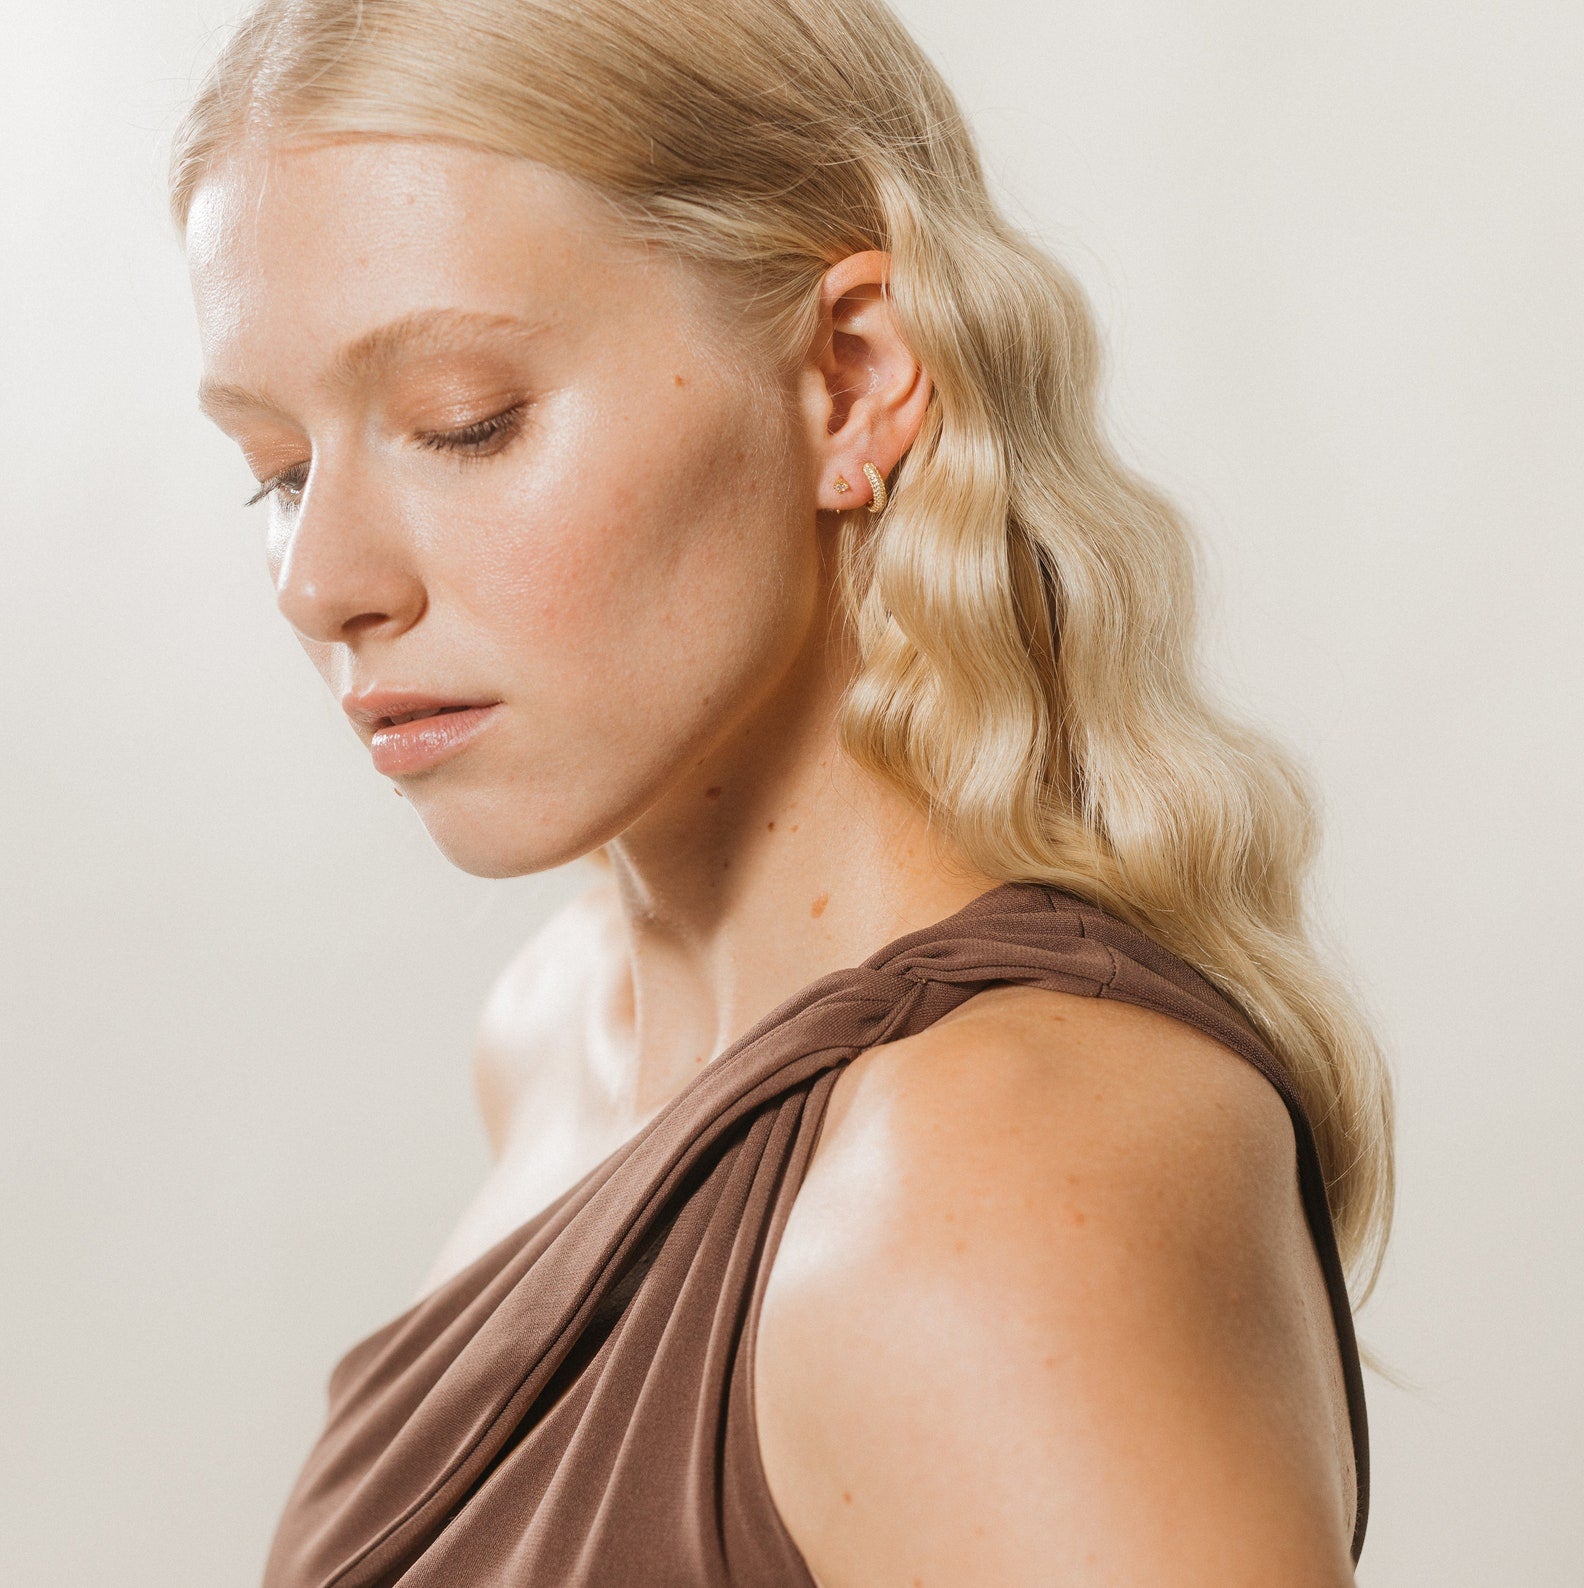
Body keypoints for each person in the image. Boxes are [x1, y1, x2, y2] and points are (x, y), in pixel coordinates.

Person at [173, 0, 1392, 1581]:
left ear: (851, 374)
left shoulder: (994, 1184)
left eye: (462, 422)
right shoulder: (559, 1033)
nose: (320, 580)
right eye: (277, 466)